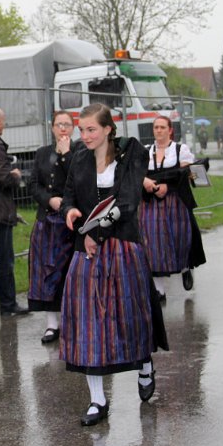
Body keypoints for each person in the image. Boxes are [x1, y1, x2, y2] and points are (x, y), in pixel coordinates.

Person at [61, 103, 168, 426]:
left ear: (108, 128)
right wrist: (70, 211)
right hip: (86, 250)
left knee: (130, 315)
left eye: (91, 129)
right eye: (82, 130)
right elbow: (69, 195)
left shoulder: (131, 152)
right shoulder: (79, 157)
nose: (85, 135)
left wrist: (95, 233)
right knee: (87, 322)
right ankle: (97, 399)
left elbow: (128, 201)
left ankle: (144, 364)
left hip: (122, 246)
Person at [140, 115, 205, 299]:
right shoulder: (146, 150)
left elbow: (185, 174)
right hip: (151, 202)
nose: (159, 130)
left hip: (175, 201)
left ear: (170, 130)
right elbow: (135, 171)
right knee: (152, 242)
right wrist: (145, 182)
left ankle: (185, 267)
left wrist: (167, 186)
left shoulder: (179, 149)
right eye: (156, 127)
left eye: (162, 127)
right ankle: (159, 289)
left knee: (179, 237)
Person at [27, 111, 78, 343]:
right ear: (52, 127)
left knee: (69, 272)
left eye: (67, 124)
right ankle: (51, 325)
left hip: (71, 222)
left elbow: (79, 180)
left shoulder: (80, 151)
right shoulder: (42, 153)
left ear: (73, 128)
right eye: (59, 124)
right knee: (45, 273)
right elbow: (33, 184)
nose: (63, 128)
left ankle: (73, 321)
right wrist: (49, 200)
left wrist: (66, 154)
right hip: (46, 221)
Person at [0, 106, 28, 316]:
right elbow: (3, 177)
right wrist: (16, 175)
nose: (4, 123)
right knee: (5, 260)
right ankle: (8, 304)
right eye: (3, 120)